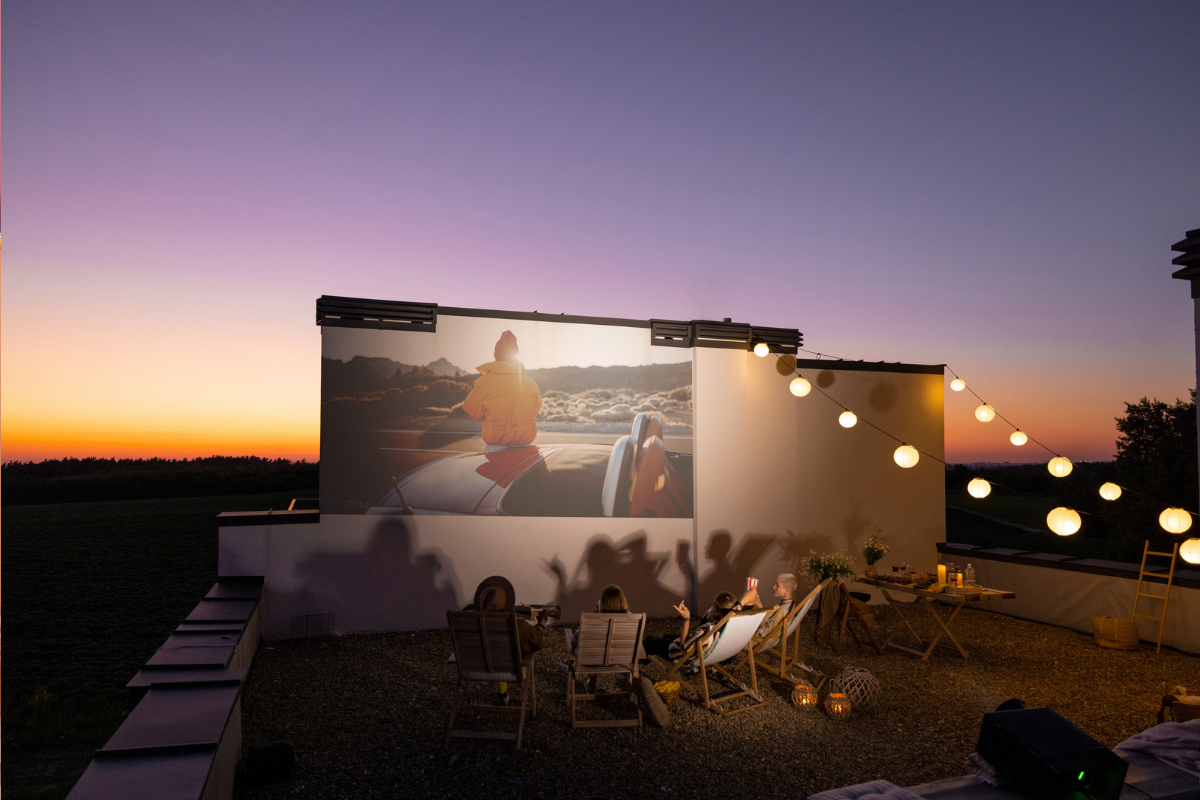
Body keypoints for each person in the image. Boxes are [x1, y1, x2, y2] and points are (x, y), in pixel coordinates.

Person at [469, 576, 550, 704]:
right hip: (507, 665)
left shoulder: (469, 622)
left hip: (472, 668)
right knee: (511, 648)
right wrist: (541, 623)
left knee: (495, 648)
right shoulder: (517, 625)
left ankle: (501, 695)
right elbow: (537, 642)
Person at [462, 331, 542, 451]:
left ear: (496, 356)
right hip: (526, 448)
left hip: (496, 449)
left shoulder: (483, 383)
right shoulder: (531, 384)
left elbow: (471, 409)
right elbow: (535, 410)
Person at [745, 573, 797, 646]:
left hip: (755, 640)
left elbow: (764, 632)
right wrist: (760, 606)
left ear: (786, 591)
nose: (774, 587)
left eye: (777, 585)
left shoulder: (782, 611)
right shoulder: (790, 604)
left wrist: (759, 609)